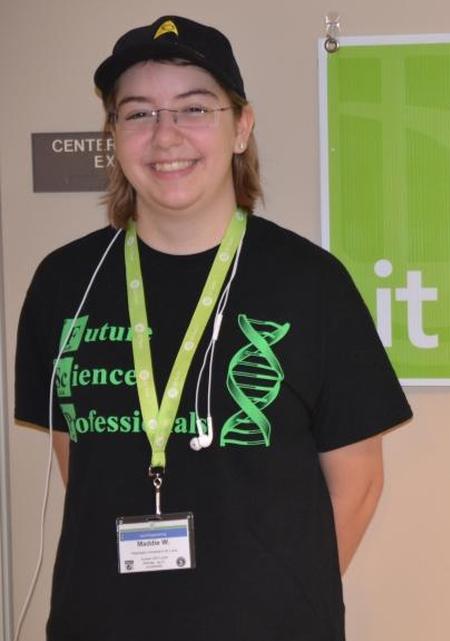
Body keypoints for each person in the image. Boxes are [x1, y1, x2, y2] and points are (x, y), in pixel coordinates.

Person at [14, 15, 412, 641]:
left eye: (194, 108)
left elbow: (358, 485)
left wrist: (272, 604)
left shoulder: (312, 284)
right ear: (113, 134)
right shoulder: (63, 284)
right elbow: (79, 460)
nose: (165, 135)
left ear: (241, 127)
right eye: (138, 113)